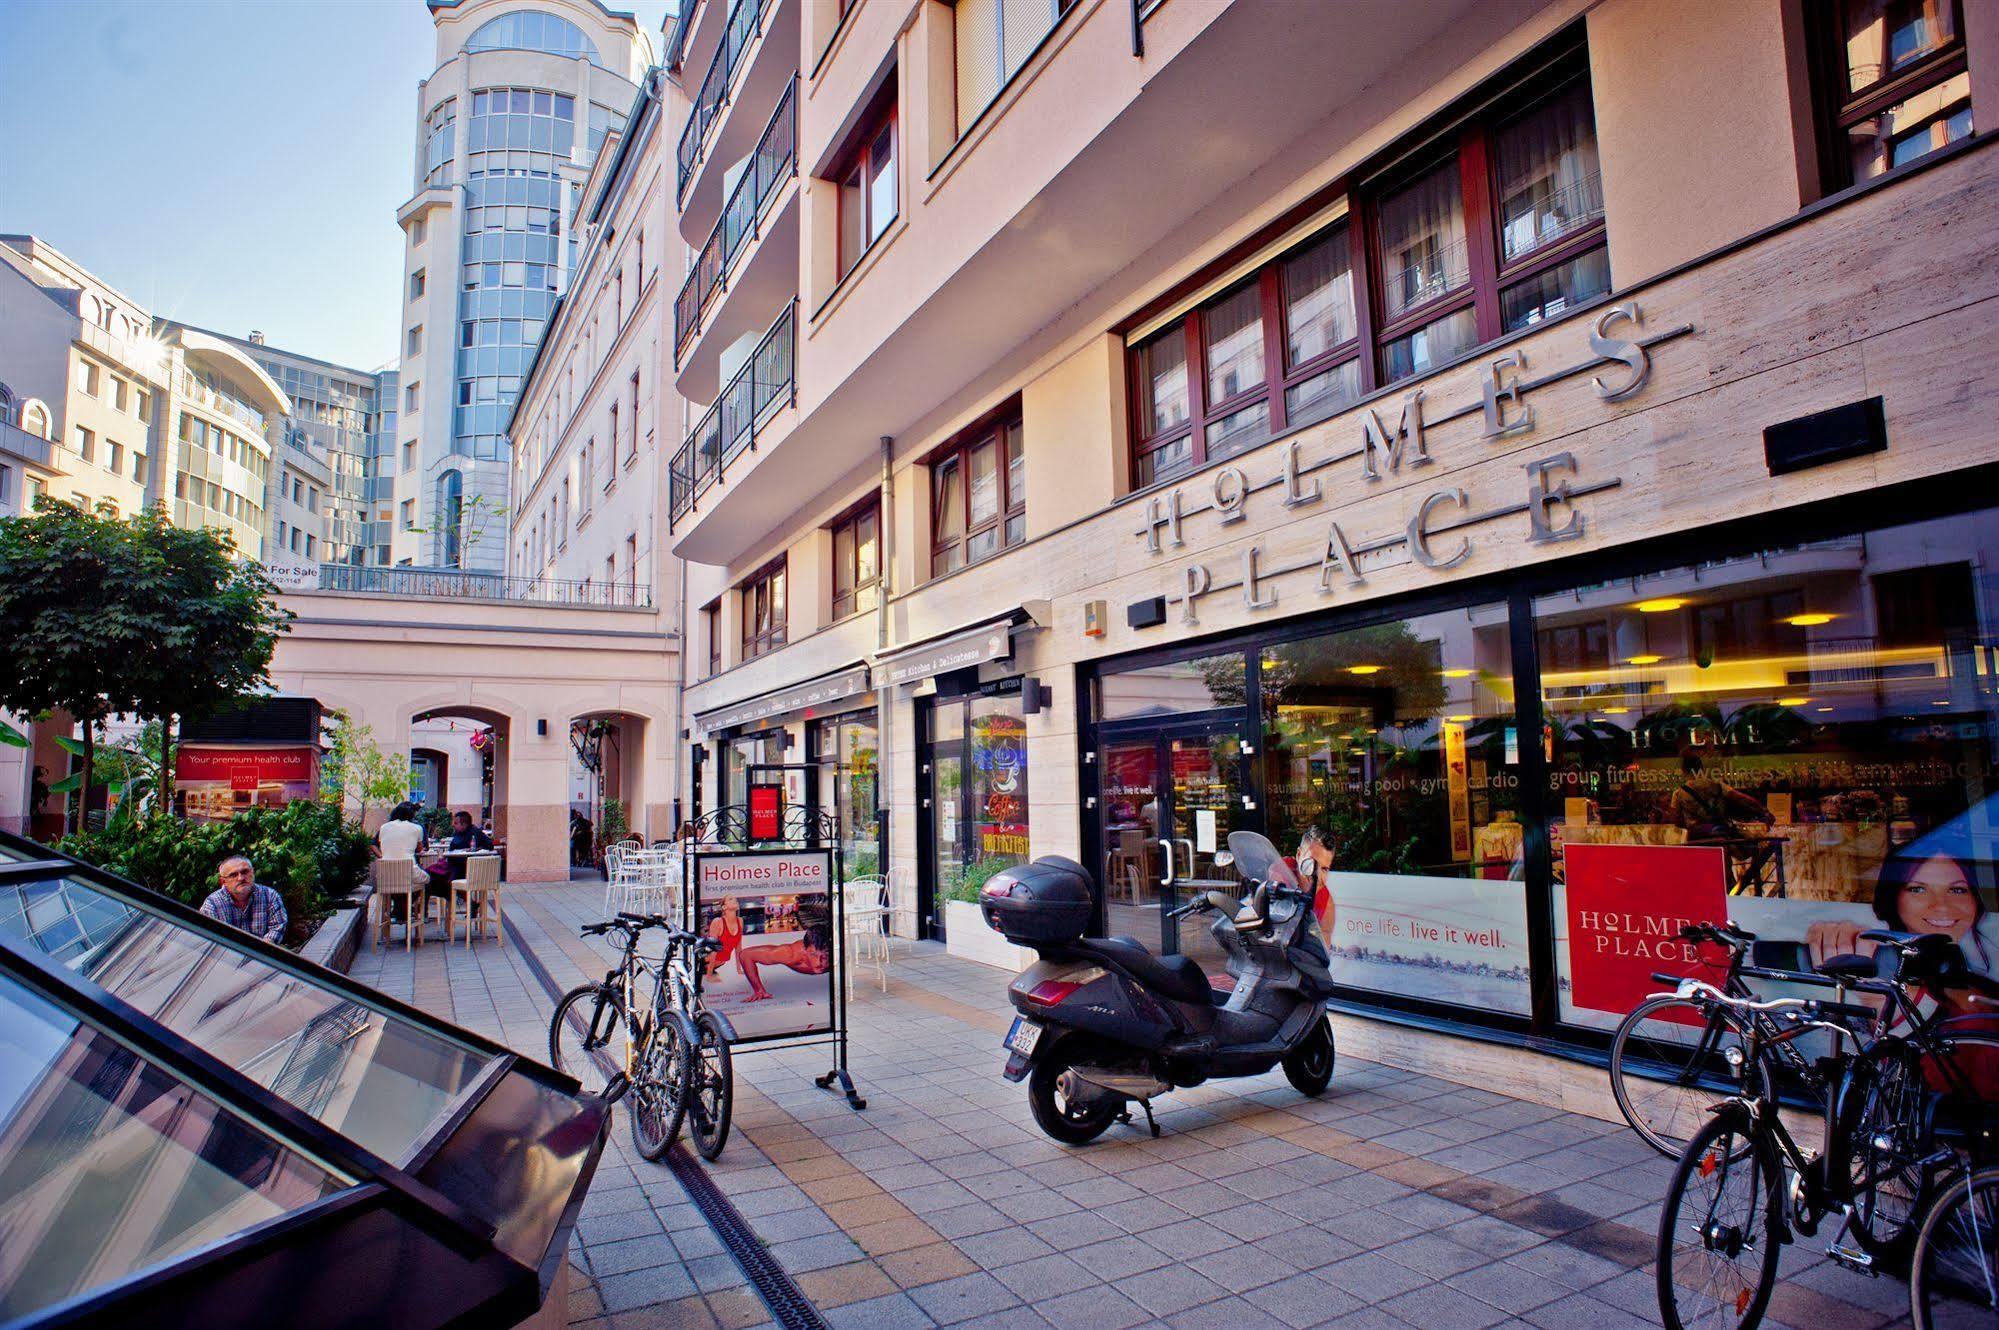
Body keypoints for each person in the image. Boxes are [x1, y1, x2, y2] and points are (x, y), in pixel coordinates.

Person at [199, 855, 287, 945]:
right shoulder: (212, 904)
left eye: (245, 872)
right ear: (223, 881)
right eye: (233, 875)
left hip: (263, 954)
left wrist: (260, 951)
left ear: (252, 872)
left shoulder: (270, 896)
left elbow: (277, 927)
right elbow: (210, 938)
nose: (241, 878)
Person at [736, 923, 833, 1002]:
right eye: (813, 954)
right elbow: (746, 955)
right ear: (805, 949)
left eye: (826, 956)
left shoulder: (842, 953)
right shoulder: (790, 954)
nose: (819, 963)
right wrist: (758, 990)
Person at [705, 894, 745, 979]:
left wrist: (739, 969)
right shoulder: (718, 922)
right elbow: (713, 949)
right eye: (731, 899)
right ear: (724, 907)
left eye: (736, 899)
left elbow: (738, 948)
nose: (735, 900)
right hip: (706, 962)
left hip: (720, 962)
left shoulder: (740, 921)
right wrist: (709, 974)